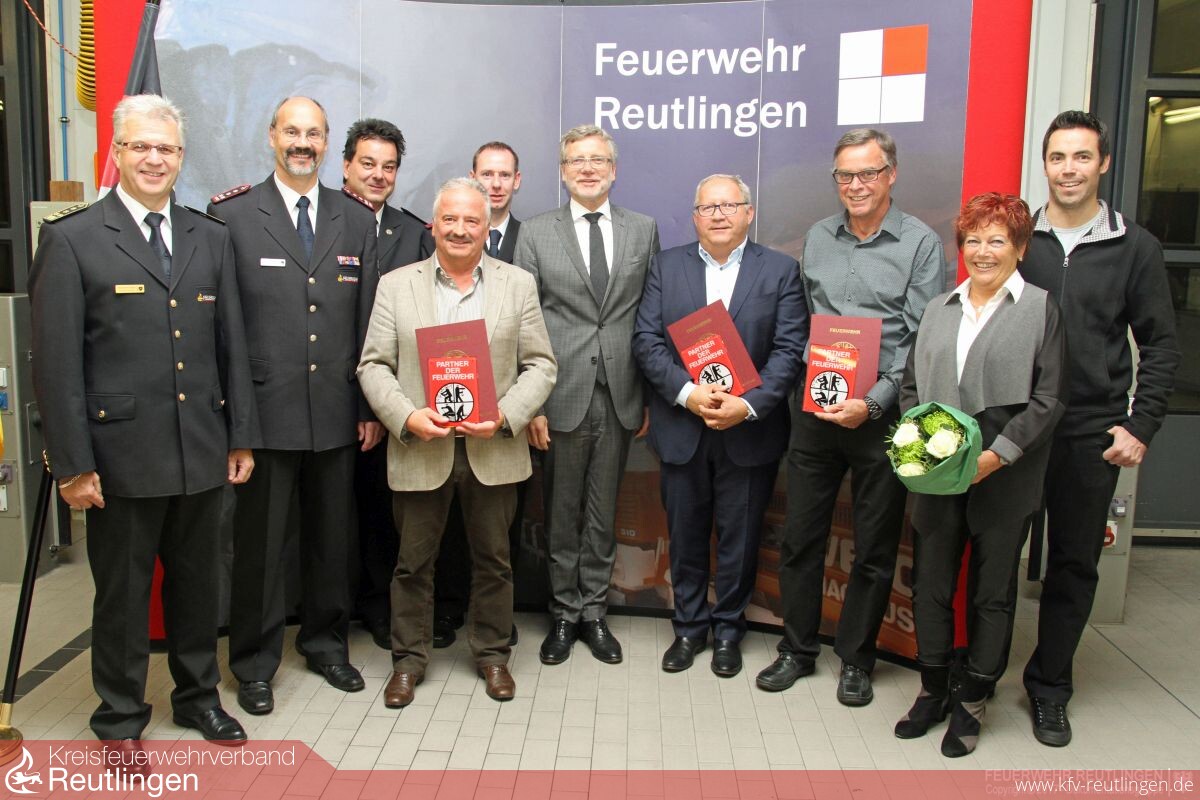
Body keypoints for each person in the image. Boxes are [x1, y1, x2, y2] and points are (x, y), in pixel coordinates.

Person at [30, 94, 257, 746]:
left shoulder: (209, 237)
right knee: (124, 597)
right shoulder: (72, 239)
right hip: (119, 456)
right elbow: (56, 365)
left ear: (181, 157)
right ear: (117, 153)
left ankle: (197, 699)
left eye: (167, 148)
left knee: (198, 589)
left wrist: (240, 436)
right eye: (141, 146)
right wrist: (71, 464)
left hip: (200, 449)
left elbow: (231, 345)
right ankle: (120, 718)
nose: (155, 159)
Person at [757, 128, 946, 705]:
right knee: (800, 538)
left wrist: (875, 401)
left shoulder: (920, 244)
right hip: (816, 410)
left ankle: (857, 660)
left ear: (891, 174)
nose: (856, 184)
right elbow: (805, 319)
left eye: (868, 172)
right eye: (845, 174)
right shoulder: (818, 237)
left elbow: (920, 337)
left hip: (881, 418)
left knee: (874, 548)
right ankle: (796, 649)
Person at [209, 96, 381, 716]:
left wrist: (367, 407)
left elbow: (367, 324)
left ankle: (326, 644)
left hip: (336, 411)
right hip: (264, 412)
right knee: (259, 547)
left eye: (313, 133)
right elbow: (223, 328)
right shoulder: (231, 216)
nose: (302, 142)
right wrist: (236, 422)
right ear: (272, 136)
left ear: (327, 142)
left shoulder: (355, 218)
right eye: (292, 131)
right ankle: (254, 663)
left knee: (332, 540)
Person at [357, 177, 556, 707]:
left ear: (488, 227)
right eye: (450, 219)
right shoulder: (396, 285)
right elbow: (373, 365)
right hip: (421, 447)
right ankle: (408, 661)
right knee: (412, 565)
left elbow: (541, 365)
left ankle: (493, 656)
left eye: (472, 220)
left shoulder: (518, 284)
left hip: (494, 449)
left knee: (495, 562)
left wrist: (506, 416)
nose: (461, 229)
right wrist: (406, 417)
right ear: (433, 225)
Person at [1019, 111, 1180, 746]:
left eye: (1082, 157)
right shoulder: (1017, 237)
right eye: (1058, 157)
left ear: (1103, 164)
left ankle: (1049, 688)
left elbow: (1161, 344)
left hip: (1090, 431)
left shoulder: (1135, 247)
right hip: (1017, 426)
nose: (1069, 170)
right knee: (996, 557)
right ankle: (977, 676)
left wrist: (1141, 425)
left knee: (1073, 564)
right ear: (1045, 163)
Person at [897, 193, 1067, 757]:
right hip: (938, 469)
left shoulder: (1040, 308)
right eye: (973, 240)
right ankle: (932, 689)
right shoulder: (937, 308)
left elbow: (1049, 398)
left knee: (992, 593)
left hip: (1005, 468)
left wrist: (997, 455)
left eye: (997, 240)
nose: (983, 251)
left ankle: (972, 701)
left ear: (1020, 248)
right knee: (930, 585)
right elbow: (911, 387)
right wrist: (921, 446)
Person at [632, 174, 807, 676]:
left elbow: (789, 350)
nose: (719, 215)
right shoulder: (666, 266)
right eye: (708, 207)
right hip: (682, 426)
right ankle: (688, 628)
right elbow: (647, 340)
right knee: (685, 536)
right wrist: (688, 394)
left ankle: (729, 630)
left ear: (749, 213)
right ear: (694, 217)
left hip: (749, 430)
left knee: (741, 538)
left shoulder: (780, 270)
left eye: (729, 205)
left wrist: (747, 406)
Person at [513, 125, 660, 666]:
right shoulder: (536, 232)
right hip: (559, 392)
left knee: (603, 511)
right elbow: (523, 321)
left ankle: (594, 612)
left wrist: (648, 395)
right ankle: (563, 614)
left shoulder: (642, 230)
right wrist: (531, 403)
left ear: (613, 170)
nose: (588, 168)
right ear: (563, 171)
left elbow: (651, 314)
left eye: (598, 159)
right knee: (561, 511)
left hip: (620, 393)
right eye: (577, 160)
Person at [342, 117, 434, 650]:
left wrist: (384, 409)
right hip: (329, 398)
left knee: (383, 514)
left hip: (395, 404)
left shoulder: (414, 234)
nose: (378, 175)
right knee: (330, 516)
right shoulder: (327, 220)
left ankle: (380, 609)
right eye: (368, 164)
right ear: (346, 165)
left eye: (389, 167)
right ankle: (328, 613)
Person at [433, 141, 526, 649]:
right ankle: (445, 612)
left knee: (497, 546)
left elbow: (537, 353)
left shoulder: (528, 246)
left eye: (503, 174)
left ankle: (493, 635)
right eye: (485, 173)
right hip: (433, 429)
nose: (494, 182)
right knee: (432, 544)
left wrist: (514, 412)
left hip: (498, 430)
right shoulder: (420, 268)